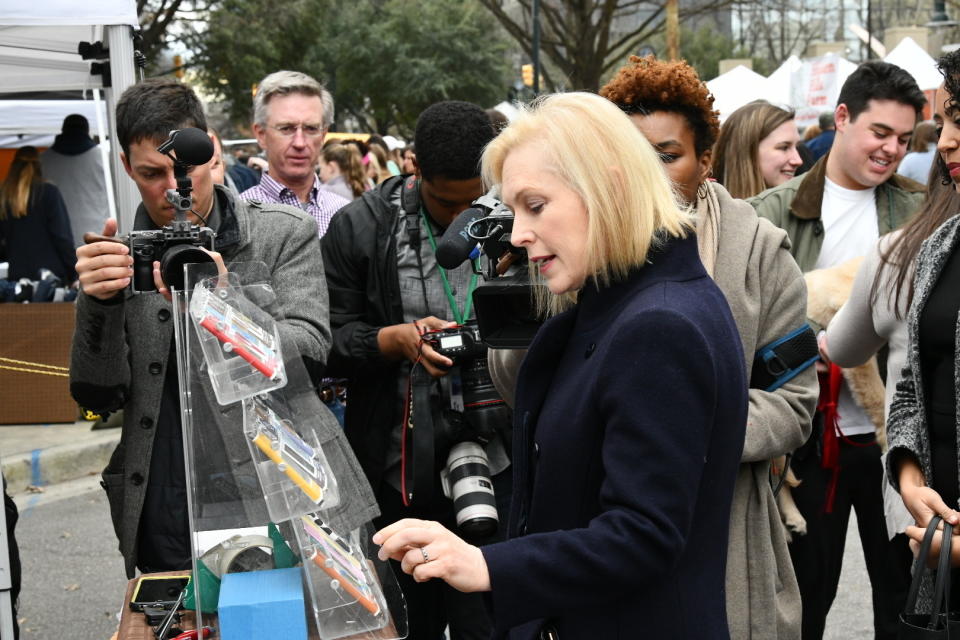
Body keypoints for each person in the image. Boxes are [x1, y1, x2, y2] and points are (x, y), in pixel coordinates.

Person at [373, 91, 748, 639]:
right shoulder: (622, 305)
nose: (519, 233)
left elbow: (642, 534)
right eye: (514, 208)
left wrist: (486, 565)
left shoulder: (658, 325)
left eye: (536, 205)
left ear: (610, 186)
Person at [68, 79, 356, 579]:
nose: (169, 189)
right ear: (125, 167)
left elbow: (311, 351)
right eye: (149, 173)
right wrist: (98, 304)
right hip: (167, 491)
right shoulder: (123, 259)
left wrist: (224, 307)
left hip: (277, 484)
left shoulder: (281, 231)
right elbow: (97, 394)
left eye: (182, 171)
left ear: (212, 150)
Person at [597, 54, 818, 639]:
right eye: (632, 156)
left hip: (726, 534)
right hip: (598, 526)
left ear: (706, 161)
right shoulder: (576, 241)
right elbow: (523, 388)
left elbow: (793, 403)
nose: (647, 173)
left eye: (667, 156)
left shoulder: (761, 254)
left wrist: (673, 430)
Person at [749, 60, 927, 640]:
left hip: (895, 443)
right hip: (806, 445)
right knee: (805, 599)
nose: (892, 149)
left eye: (904, 139)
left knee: (907, 600)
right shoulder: (770, 214)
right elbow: (746, 324)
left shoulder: (923, 213)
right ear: (843, 118)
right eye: (880, 133)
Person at [322, 100, 507, 639]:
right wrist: (392, 340)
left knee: (488, 618)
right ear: (413, 167)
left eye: (472, 203)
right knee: (409, 619)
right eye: (444, 203)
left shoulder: (516, 218)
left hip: (497, 450)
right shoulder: (360, 227)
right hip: (396, 461)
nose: (458, 219)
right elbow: (326, 338)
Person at [886, 49, 960, 606]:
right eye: (949, 118)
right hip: (939, 546)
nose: (947, 140)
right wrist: (911, 479)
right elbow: (911, 382)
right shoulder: (939, 245)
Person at [241, 70, 349, 237]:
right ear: (261, 134)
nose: (299, 142)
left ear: (323, 135)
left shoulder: (344, 214)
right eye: (286, 129)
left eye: (311, 128)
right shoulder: (238, 218)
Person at [0, 146, 76, 284]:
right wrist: (74, 272)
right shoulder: (48, 192)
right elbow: (62, 237)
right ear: (38, 165)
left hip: (17, 277)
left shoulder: (4, 196)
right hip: (51, 278)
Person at [40, 114, 110, 249]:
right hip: (96, 233)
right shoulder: (103, 157)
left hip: (56, 236)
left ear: (63, 130)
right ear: (87, 130)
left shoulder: (43, 160)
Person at [713, 100, 804, 199]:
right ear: (747, 150)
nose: (798, 161)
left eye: (797, 147)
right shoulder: (704, 210)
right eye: (784, 148)